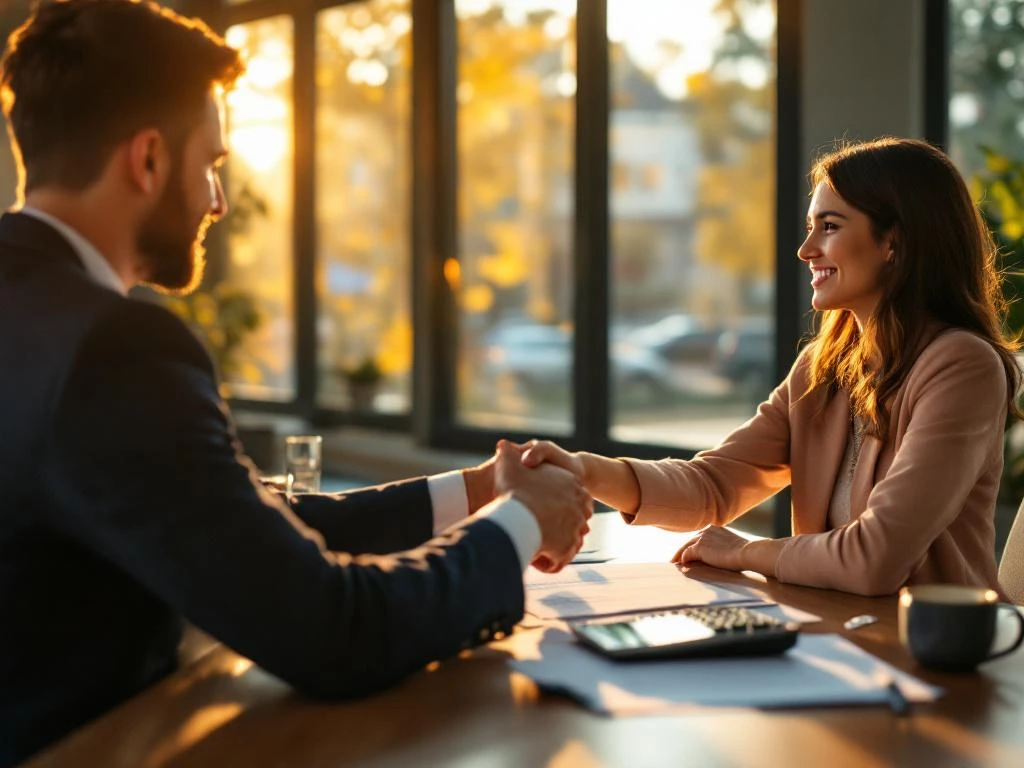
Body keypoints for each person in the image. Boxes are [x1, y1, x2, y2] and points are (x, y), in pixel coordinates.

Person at [0, 2, 590, 764]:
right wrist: (521, 525)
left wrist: (478, 493)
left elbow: (236, 524)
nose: (217, 201)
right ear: (147, 161)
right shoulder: (111, 352)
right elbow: (335, 631)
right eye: (210, 164)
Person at [521, 137, 1020, 598]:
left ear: (893, 242)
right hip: (838, 633)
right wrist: (584, 470)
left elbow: (876, 558)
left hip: (936, 651)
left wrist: (745, 553)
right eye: (810, 228)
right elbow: (714, 484)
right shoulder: (823, 369)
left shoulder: (962, 367)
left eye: (830, 227)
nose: (806, 250)